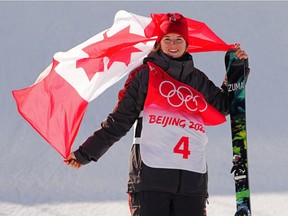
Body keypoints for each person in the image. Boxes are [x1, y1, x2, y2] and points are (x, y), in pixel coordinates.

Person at [66, 12, 249, 216]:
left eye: (179, 39)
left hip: (192, 183)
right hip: (151, 183)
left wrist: (237, 69)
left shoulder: (198, 80)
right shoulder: (145, 75)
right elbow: (119, 121)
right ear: (158, 43)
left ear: (187, 43)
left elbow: (224, 106)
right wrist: (85, 153)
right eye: (167, 39)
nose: (173, 44)